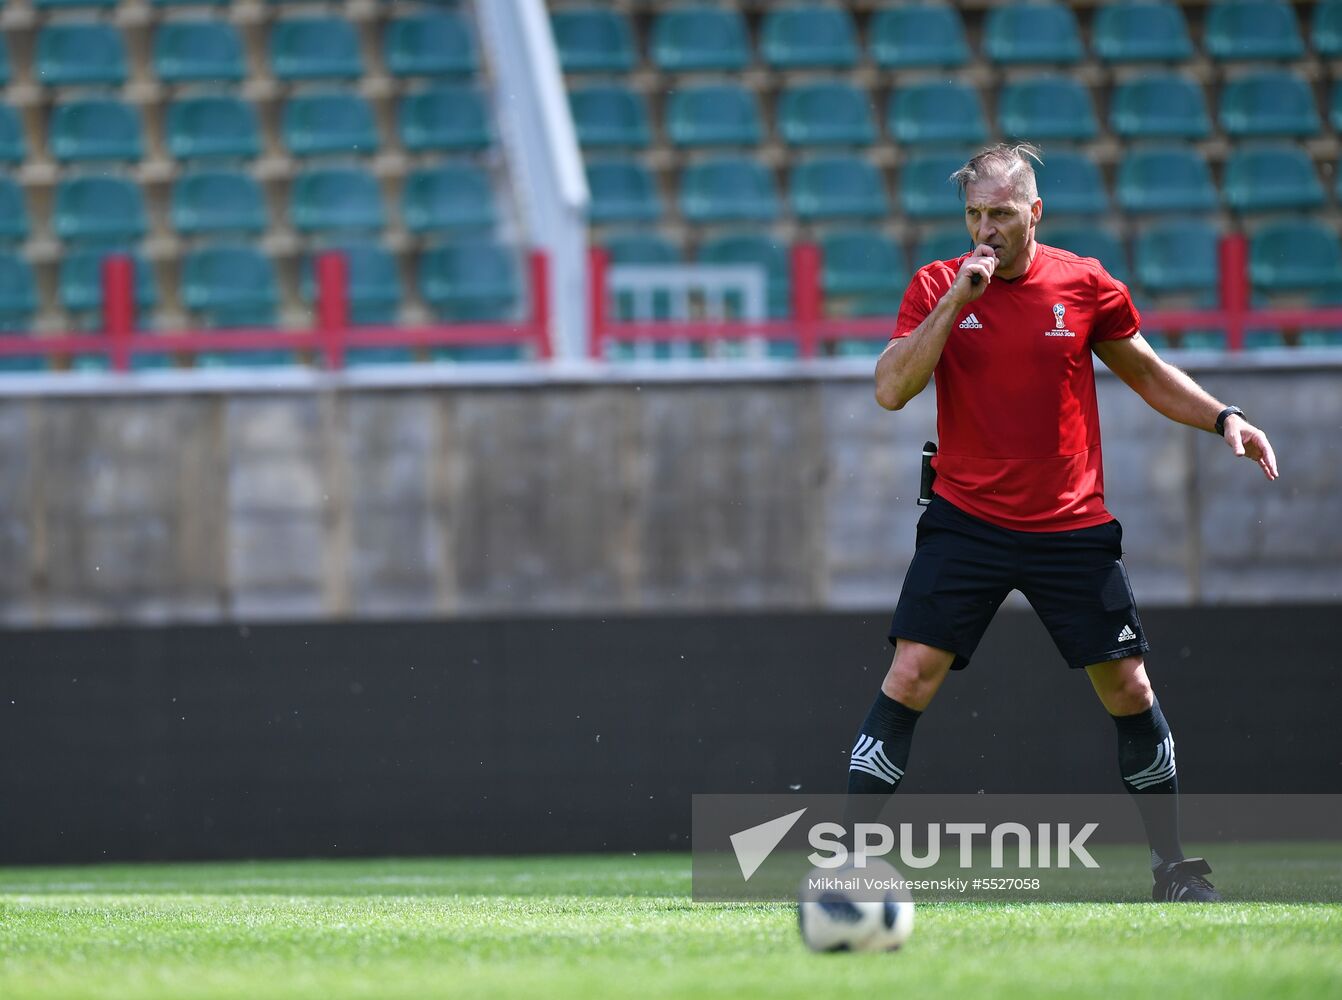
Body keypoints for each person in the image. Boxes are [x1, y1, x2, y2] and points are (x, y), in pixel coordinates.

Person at [847, 143, 1278, 902]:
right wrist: (957, 302)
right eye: (975, 213)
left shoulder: (1083, 284)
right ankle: (845, 863)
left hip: (1070, 526)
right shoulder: (937, 285)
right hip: (966, 521)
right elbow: (890, 390)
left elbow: (1144, 371)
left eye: (1002, 214)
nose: (987, 228)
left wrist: (1224, 418)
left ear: (1035, 213)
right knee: (910, 676)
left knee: (1130, 689)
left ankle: (1171, 867)